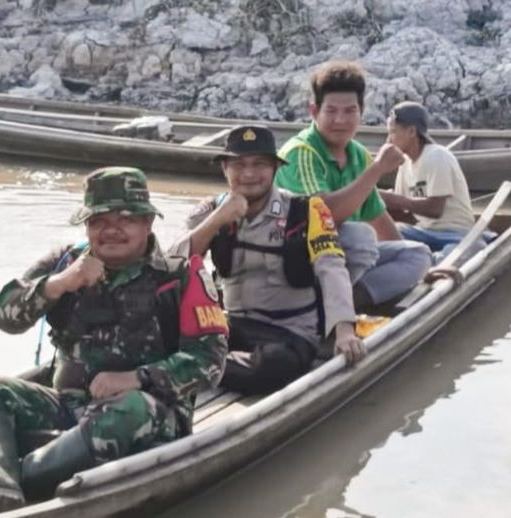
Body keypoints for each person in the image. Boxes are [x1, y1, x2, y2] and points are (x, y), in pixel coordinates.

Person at [0, 167, 228, 518]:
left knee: (128, 410)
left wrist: (137, 378)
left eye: (125, 218)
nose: (111, 229)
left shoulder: (181, 274)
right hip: (68, 406)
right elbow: (2, 315)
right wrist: (59, 284)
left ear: (147, 223)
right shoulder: (66, 261)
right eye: (98, 220)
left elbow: (210, 362)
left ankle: (19, 482)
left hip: (150, 414)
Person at [174, 125, 377, 396]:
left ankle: (201, 366)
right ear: (224, 169)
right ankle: (214, 363)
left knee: (271, 368)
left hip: (289, 332)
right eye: (238, 164)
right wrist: (218, 219)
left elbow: (332, 269)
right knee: (163, 336)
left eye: (259, 164)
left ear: (275, 168)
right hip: (231, 323)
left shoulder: (307, 210)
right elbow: (171, 264)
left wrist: (344, 331)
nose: (248, 174)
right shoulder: (211, 210)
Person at [275, 60, 432, 309]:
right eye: (331, 111)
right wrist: (378, 169)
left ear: (361, 111)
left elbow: (378, 217)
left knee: (417, 254)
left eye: (349, 111)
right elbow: (323, 216)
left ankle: (345, 302)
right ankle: (327, 307)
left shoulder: (358, 154)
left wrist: (421, 275)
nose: (340, 120)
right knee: (360, 236)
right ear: (314, 112)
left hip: (342, 258)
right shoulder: (300, 152)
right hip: (299, 257)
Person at [379, 101, 477, 259]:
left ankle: (431, 265)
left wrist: (391, 199)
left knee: (450, 257)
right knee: (380, 238)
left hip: (454, 234)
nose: (388, 140)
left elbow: (435, 210)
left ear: (411, 131)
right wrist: (378, 207)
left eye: (393, 132)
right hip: (422, 232)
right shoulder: (404, 164)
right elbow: (408, 214)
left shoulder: (437, 156)